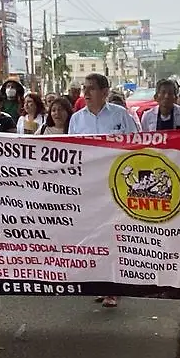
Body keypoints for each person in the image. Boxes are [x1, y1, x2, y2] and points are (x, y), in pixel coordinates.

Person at [69, 72, 141, 308]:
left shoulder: (121, 116)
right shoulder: (77, 119)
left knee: (114, 237)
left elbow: (137, 145)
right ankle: (100, 283)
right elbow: (69, 153)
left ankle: (115, 287)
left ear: (105, 92)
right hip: (89, 188)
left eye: (91, 88)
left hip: (115, 187)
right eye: (84, 89)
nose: (86, 93)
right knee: (94, 237)